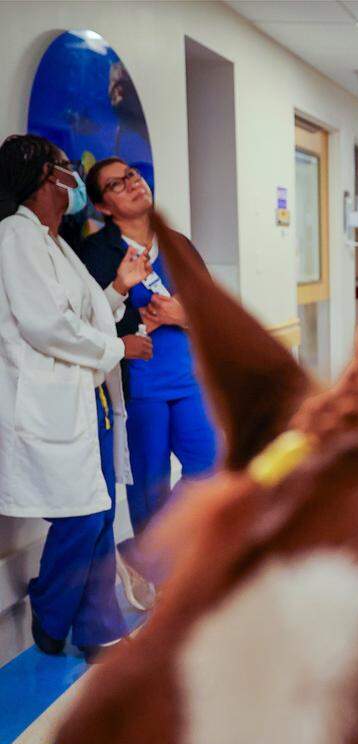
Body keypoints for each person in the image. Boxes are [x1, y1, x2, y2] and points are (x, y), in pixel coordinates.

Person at [0, 134, 152, 662]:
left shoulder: (57, 244)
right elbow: (46, 326)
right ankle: (50, 601)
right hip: (53, 400)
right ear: (45, 178)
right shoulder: (15, 238)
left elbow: (87, 317)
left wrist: (119, 290)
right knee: (83, 516)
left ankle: (98, 631)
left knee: (100, 514)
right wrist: (120, 346)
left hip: (91, 401)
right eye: (65, 169)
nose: (73, 178)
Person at [79, 157, 218, 597]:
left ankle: (143, 553)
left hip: (188, 376)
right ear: (103, 207)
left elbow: (211, 307)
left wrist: (183, 313)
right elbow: (87, 320)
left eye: (132, 176)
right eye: (117, 185)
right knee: (149, 486)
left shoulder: (178, 245)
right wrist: (129, 328)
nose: (132, 185)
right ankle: (162, 577)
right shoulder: (97, 254)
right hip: (139, 384)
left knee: (210, 465)